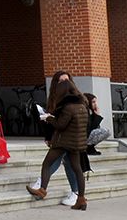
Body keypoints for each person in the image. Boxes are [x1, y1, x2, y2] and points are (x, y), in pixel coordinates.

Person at [27, 77, 89, 210]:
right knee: (77, 169)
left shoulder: (68, 107)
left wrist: (49, 118)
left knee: (47, 164)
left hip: (63, 142)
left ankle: (42, 189)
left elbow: (61, 125)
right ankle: (81, 199)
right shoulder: (82, 105)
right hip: (77, 143)